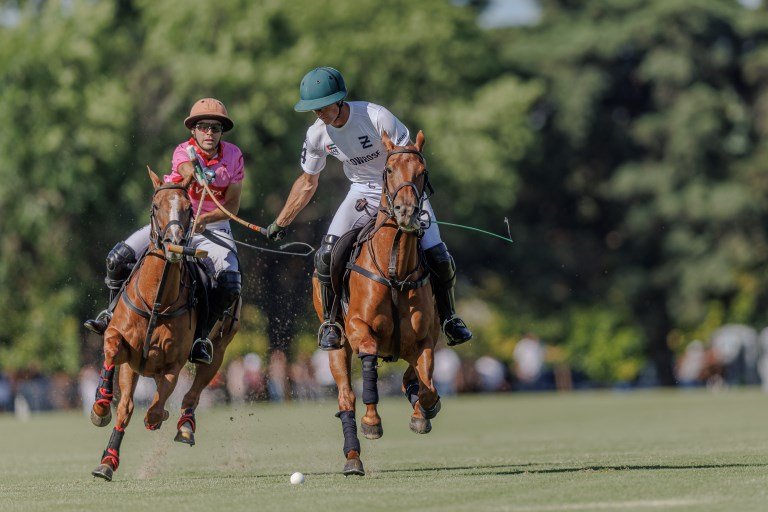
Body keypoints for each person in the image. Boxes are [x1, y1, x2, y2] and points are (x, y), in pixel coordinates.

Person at [265, 66, 472, 351]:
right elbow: (307, 182)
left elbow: (409, 160)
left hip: (403, 192)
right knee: (326, 255)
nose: (318, 113)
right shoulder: (317, 135)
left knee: (438, 254)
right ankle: (332, 323)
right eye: (314, 109)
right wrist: (282, 221)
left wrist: (406, 202)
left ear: (339, 100)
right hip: (362, 193)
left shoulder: (375, 116)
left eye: (323, 106)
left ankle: (449, 318)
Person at [83, 98, 245, 365]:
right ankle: (111, 315)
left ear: (221, 132)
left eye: (215, 128)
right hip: (174, 222)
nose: (209, 132)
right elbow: (184, 168)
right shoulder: (183, 151)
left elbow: (232, 205)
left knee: (230, 282)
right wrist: (197, 173)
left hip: (213, 226)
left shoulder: (234, 156)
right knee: (117, 259)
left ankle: (200, 338)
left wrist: (206, 219)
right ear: (193, 130)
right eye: (203, 127)